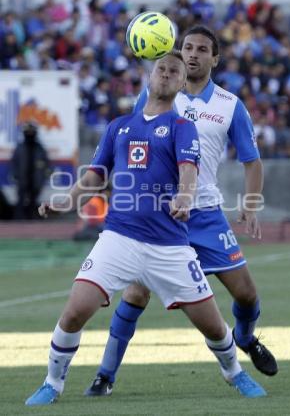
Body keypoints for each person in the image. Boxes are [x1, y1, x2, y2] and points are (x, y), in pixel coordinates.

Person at [25, 52, 266, 406]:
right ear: (149, 78)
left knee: (214, 327)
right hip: (118, 239)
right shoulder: (119, 126)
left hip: (169, 246)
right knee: (75, 311)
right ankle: (52, 383)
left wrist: (184, 198)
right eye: (161, 69)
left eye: (175, 72)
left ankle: (235, 373)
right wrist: (67, 199)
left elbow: (188, 170)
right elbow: (96, 174)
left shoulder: (183, 128)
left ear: (182, 84)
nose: (167, 74)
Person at [85, 26, 278, 398]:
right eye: (187, 47)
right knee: (136, 295)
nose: (192, 55)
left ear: (214, 59)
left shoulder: (228, 105)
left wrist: (251, 204)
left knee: (247, 295)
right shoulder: (158, 93)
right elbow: (133, 142)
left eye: (202, 50)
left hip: (205, 213)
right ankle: (105, 375)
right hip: (159, 216)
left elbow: (252, 161)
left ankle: (245, 336)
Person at [11, 122, 51, 219]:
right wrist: (15, 174)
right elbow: (14, 162)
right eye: (27, 132)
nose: (29, 134)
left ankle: (31, 220)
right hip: (22, 178)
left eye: (31, 132)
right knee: (20, 201)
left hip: (35, 180)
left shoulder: (39, 148)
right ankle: (19, 220)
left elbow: (45, 163)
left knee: (33, 202)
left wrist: (43, 176)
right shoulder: (20, 148)